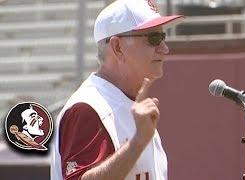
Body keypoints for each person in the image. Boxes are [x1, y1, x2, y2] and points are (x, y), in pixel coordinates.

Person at [51, 0, 184, 179]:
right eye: (153, 38)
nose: (164, 48)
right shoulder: (88, 108)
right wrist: (137, 142)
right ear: (117, 47)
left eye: (163, 37)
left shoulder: (132, 103)